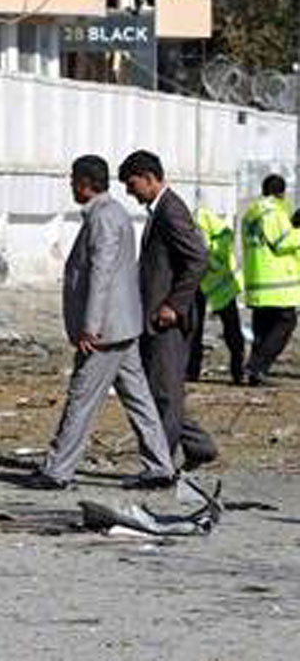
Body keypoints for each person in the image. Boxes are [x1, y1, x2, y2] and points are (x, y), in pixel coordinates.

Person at [25, 156, 175, 490]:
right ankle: (160, 466)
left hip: (106, 330)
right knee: (139, 399)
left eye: (72, 182)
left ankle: (57, 470)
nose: (71, 188)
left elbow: (101, 274)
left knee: (81, 399)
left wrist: (89, 327)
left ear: (83, 183)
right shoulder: (114, 214)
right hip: (123, 326)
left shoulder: (104, 218)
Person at [119, 150, 217, 471]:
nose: (129, 192)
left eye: (132, 184)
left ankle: (159, 467)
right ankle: (199, 446)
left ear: (149, 178)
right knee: (161, 391)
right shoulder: (159, 210)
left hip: (168, 321)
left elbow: (198, 259)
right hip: (155, 317)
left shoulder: (171, 210)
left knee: (164, 393)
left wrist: (174, 305)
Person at [241, 174, 300, 385]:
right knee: (286, 322)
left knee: (262, 330)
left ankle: (255, 374)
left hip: (257, 281)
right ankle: (255, 367)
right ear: (282, 193)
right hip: (277, 284)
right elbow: (282, 242)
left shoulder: (251, 213)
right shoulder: (273, 211)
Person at [186, 206, 245, 383]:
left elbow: (203, 252)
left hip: (212, 283)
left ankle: (236, 370)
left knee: (200, 330)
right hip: (212, 283)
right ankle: (237, 371)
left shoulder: (201, 224)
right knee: (224, 329)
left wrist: (209, 263)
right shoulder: (216, 229)